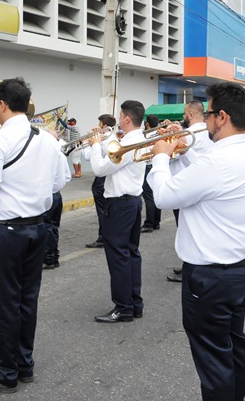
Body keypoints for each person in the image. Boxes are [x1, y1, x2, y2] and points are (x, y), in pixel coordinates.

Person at [148, 82, 245, 401]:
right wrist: (179, 148)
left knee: (213, 360)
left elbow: (163, 196)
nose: (205, 122)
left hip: (211, 277)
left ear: (223, 117)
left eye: (210, 114)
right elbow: (200, 178)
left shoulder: (218, 162)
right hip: (243, 270)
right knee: (232, 346)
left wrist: (161, 156)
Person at [0, 77, 68, 393]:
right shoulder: (46, 139)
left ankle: (6, 373)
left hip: (5, 233)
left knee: (4, 303)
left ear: (2, 105)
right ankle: (24, 365)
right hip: (37, 228)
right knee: (27, 299)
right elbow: (59, 181)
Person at [88, 100, 146, 324]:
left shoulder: (127, 144)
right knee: (131, 253)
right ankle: (134, 303)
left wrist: (95, 145)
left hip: (120, 205)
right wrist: (104, 138)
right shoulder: (135, 139)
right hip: (132, 202)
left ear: (127, 119)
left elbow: (101, 168)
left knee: (118, 256)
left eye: (121, 116)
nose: (119, 119)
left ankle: (123, 307)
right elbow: (114, 157)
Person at [162, 100, 212, 283]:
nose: (183, 117)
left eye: (184, 114)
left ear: (190, 115)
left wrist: (165, 141)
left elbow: (170, 155)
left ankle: (190, 269)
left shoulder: (189, 134)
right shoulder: (205, 132)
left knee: (186, 231)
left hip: (184, 187)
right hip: (196, 185)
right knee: (189, 230)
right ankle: (188, 265)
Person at [81, 114, 116, 249]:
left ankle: (103, 237)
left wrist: (86, 143)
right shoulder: (111, 137)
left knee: (102, 210)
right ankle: (107, 236)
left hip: (102, 177)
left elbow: (88, 156)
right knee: (106, 210)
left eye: (99, 124)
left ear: (105, 126)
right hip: (106, 175)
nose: (97, 126)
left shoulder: (103, 139)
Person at [42, 129, 71, 270]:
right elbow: (67, 177)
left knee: (46, 228)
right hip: (57, 195)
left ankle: (48, 259)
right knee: (53, 228)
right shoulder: (62, 155)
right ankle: (54, 257)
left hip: (48, 195)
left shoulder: (47, 155)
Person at [140, 114, 161, 234]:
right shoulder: (161, 133)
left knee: (148, 196)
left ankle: (149, 223)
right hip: (158, 164)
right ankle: (156, 221)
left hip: (148, 166)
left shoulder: (146, 136)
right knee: (155, 194)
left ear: (147, 124)